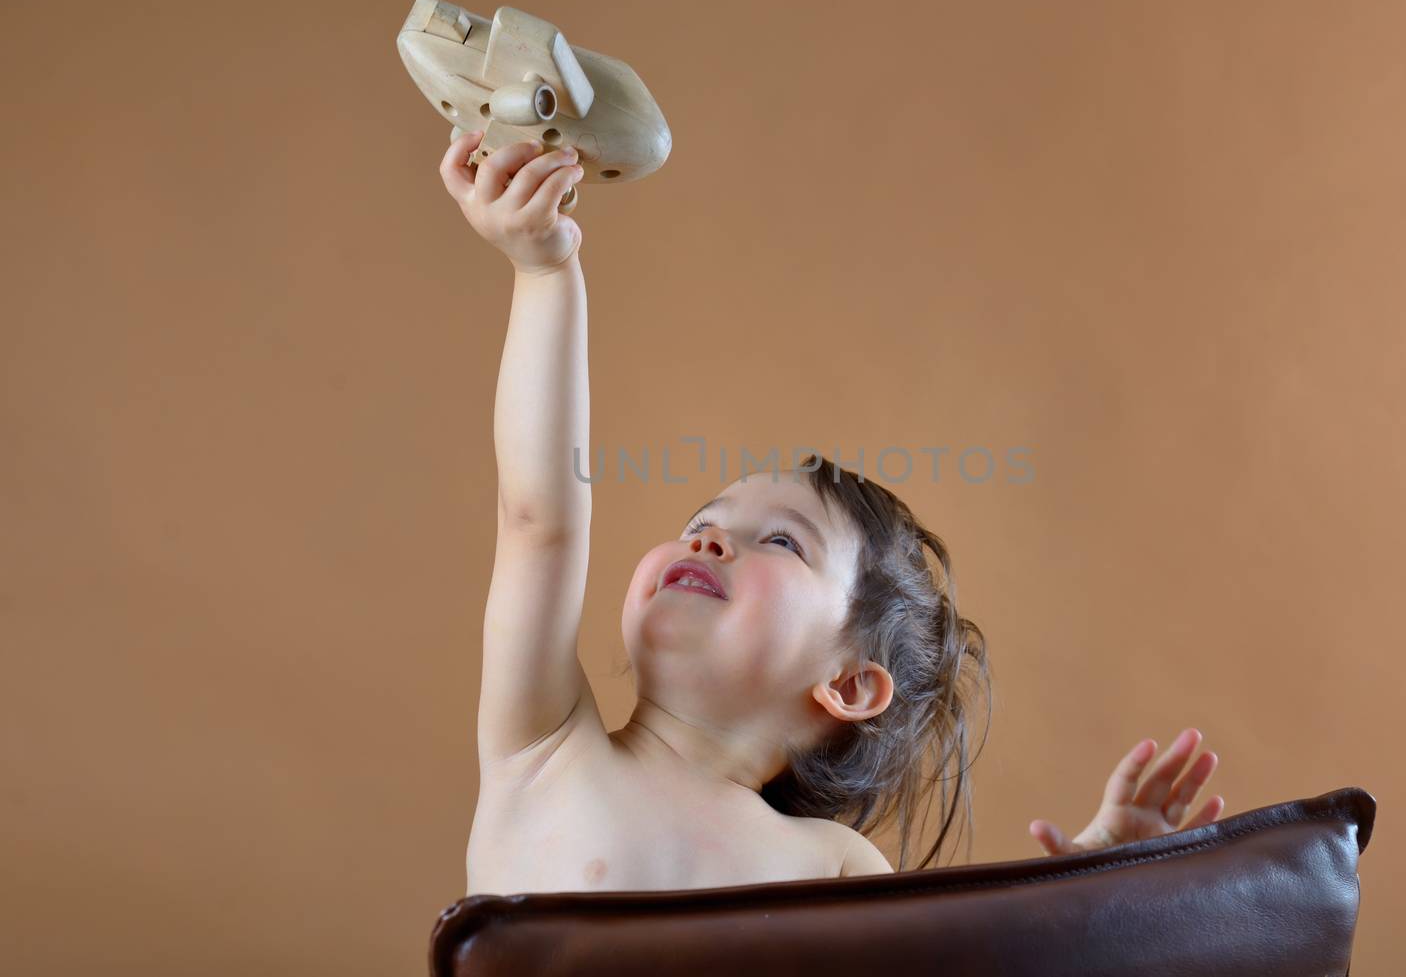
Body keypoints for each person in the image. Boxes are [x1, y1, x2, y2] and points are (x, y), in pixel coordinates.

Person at [435, 130, 1223, 893]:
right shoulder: (542, 743)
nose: (709, 541)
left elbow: (960, 961)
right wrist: (545, 271)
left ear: (848, 684)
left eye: (779, 540)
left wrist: (1094, 877)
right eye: (700, 525)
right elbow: (540, 518)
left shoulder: (830, 863)